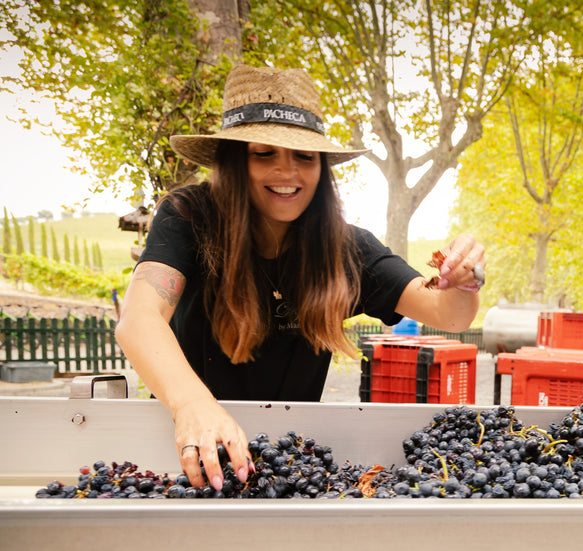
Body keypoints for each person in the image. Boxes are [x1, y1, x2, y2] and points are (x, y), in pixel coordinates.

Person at [115, 65, 486, 491]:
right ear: (235, 160)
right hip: (187, 455)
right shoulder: (189, 217)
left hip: (288, 468)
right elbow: (140, 319)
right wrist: (194, 406)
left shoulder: (346, 250)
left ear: (321, 167)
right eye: (264, 152)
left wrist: (464, 278)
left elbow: (448, 313)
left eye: (304, 156)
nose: (287, 171)